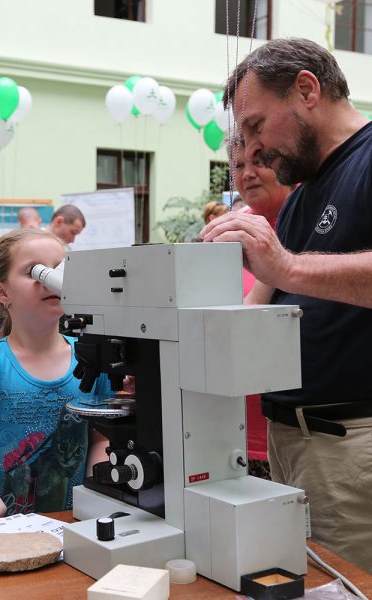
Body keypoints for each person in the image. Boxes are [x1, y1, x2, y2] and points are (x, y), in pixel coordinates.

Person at [201, 38, 372, 572]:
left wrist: (288, 266)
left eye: (256, 126)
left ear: (306, 90)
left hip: (349, 442)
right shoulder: (303, 195)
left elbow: (285, 272)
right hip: (292, 442)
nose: (254, 150)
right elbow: (256, 313)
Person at [0, 228, 111, 520]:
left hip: (76, 521)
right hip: (5, 526)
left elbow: (101, 438)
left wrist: (95, 492)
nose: (51, 280)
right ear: (2, 292)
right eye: (35, 271)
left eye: (58, 269)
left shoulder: (91, 358)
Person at [228, 135, 294, 480]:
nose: (247, 173)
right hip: (228, 434)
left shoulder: (311, 227)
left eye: (259, 162)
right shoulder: (227, 232)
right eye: (239, 165)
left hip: (297, 434)